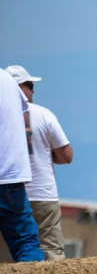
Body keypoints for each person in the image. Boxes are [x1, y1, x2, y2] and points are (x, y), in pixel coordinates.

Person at [7, 66, 72, 261]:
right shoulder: (44, 115)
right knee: (51, 251)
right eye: (30, 85)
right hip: (42, 193)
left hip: (8, 191)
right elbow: (66, 156)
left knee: (12, 253)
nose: (33, 90)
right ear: (19, 87)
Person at [0, 69, 42, 262]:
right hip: (11, 173)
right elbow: (24, 117)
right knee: (25, 242)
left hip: (10, 172)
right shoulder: (6, 79)